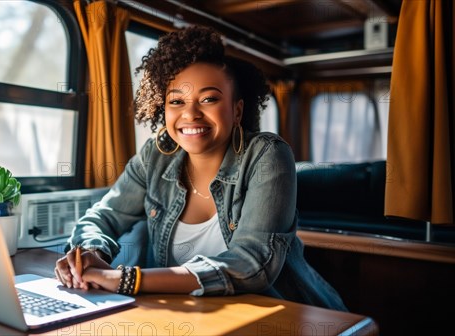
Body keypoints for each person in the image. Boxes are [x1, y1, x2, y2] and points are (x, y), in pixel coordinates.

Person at [55, 25, 347, 311]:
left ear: (237, 110)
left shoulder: (268, 154)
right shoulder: (154, 156)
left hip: (280, 313)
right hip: (187, 316)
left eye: (208, 99)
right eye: (177, 101)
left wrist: (126, 279)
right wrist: (89, 254)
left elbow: (251, 264)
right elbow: (102, 216)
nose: (190, 114)